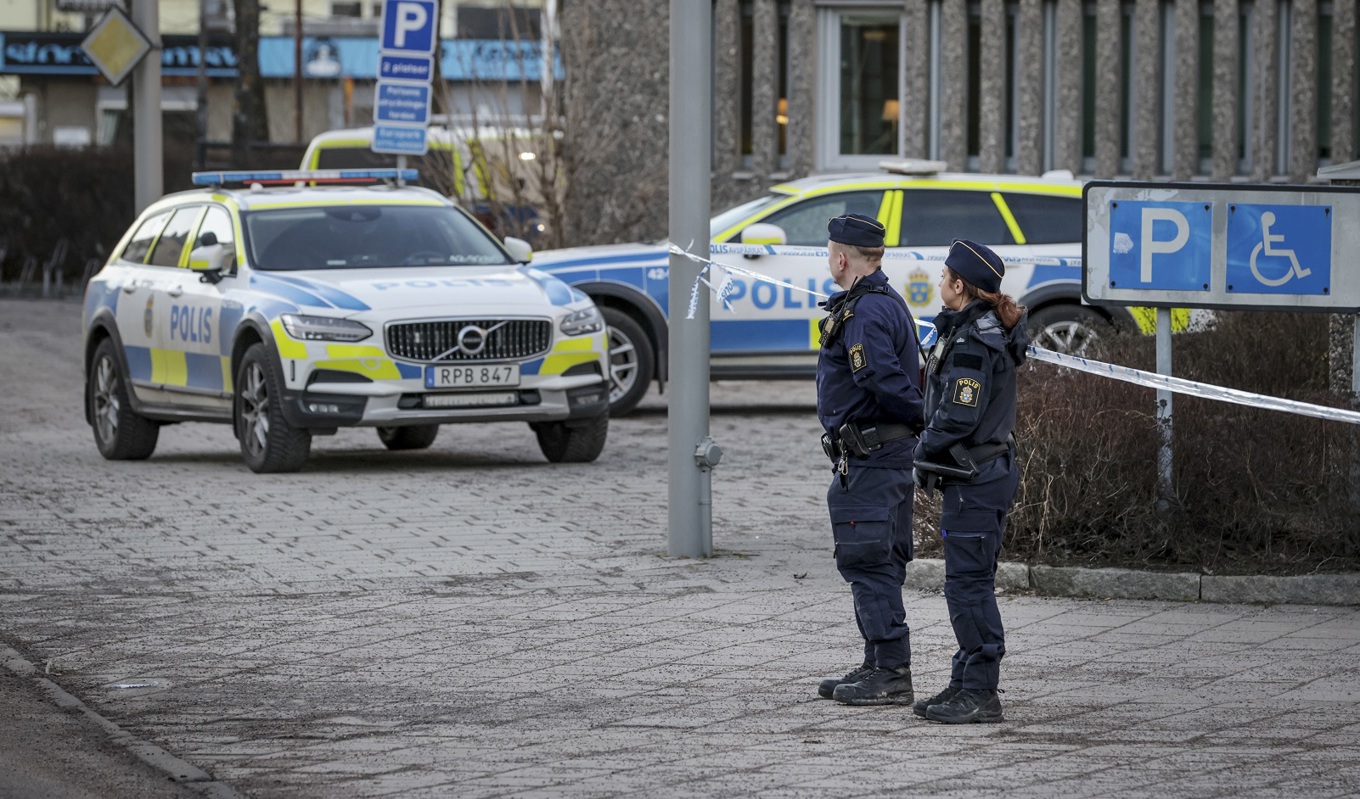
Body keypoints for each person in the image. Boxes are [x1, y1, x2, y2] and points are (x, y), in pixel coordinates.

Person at [911, 239, 1028, 724]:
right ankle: (965, 681)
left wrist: (920, 449)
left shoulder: (974, 341)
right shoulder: (968, 329)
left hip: (978, 479)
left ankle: (981, 691)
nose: (938, 283)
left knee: (968, 587)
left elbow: (959, 415)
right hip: (977, 476)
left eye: (943, 277)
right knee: (965, 583)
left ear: (960, 285)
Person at [814, 213, 924, 706]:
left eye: (829, 252)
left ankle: (891, 672)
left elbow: (883, 381)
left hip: (873, 457)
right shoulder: (880, 302)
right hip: (878, 456)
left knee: (869, 562)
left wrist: (918, 421)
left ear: (841, 258)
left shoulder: (866, 312)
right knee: (877, 561)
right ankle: (877, 661)